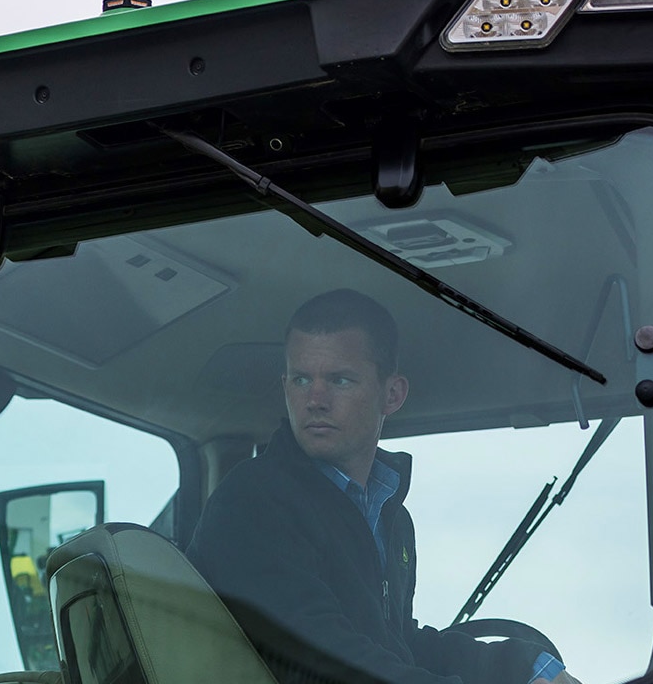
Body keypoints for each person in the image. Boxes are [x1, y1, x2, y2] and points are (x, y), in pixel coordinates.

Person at [186, 289, 577, 684]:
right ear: (285, 385)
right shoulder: (254, 501)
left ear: (392, 394)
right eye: (302, 379)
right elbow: (320, 662)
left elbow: (399, 645)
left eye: (339, 380)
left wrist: (525, 666)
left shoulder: (390, 518)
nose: (315, 399)